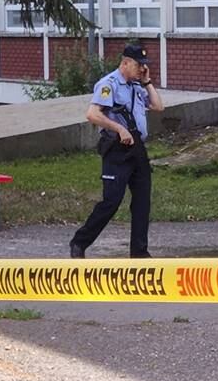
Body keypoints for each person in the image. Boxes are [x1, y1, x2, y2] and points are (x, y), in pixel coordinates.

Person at [70, 43, 164, 258]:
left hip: (138, 150)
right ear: (125, 63)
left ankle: (139, 253)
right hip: (117, 150)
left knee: (142, 203)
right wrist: (119, 128)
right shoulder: (109, 84)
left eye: (144, 66)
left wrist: (147, 82)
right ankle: (79, 242)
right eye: (139, 65)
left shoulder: (136, 86)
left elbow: (158, 107)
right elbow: (92, 114)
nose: (141, 69)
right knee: (111, 201)